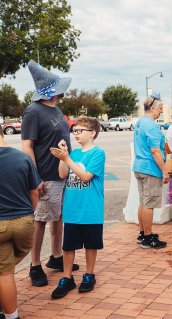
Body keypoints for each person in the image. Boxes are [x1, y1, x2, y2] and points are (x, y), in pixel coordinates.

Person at [21, 60, 79, 287]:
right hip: (45, 176)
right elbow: (27, 147)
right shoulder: (32, 111)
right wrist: (35, 179)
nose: (60, 94)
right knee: (41, 221)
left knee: (58, 218)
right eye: (57, 90)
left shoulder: (56, 108)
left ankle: (56, 257)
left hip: (63, 174)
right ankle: (35, 265)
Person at [48, 117, 105, 299]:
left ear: (92, 133)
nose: (76, 134)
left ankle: (89, 275)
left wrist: (67, 158)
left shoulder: (98, 153)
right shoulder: (74, 154)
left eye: (80, 131)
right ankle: (67, 277)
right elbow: (63, 174)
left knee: (91, 245)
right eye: (75, 131)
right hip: (72, 209)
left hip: (91, 209)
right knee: (68, 246)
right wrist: (63, 157)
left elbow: (86, 176)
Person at [0, 128, 41, 319]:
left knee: (4, 272)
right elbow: (34, 192)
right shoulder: (22, 158)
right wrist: (29, 214)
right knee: (7, 268)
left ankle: (11, 315)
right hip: (24, 222)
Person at [133, 93, 169, 249]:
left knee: (143, 202)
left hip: (139, 166)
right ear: (154, 108)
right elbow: (155, 151)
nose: (161, 111)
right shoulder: (152, 126)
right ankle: (148, 237)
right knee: (149, 204)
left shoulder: (140, 122)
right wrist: (165, 171)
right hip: (150, 168)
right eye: (160, 108)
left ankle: (143, 233)